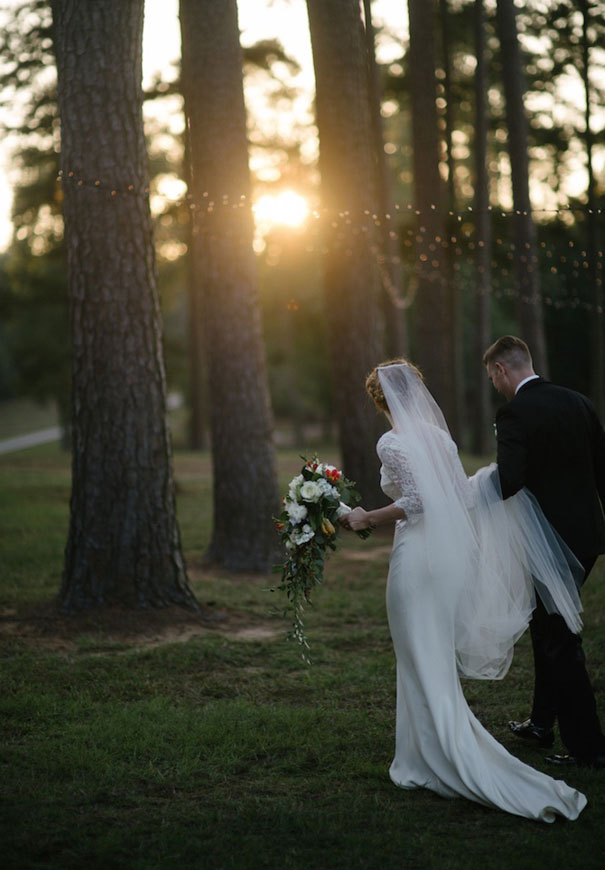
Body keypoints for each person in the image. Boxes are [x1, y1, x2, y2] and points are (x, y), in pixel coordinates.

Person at [339, 358, 586, 822]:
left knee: (417, 653)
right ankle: (417, 754)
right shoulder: (438, 437)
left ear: (380, 402)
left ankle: (438, 757)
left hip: (418, 559)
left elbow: (417, 501)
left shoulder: (391, 441)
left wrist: (365, 517)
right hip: (447, 560)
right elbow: (457, 494)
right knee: (426, 654)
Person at [484, 335, 605, 768]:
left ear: (501, 370)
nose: (495, 386)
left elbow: (509, 481)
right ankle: (541, 722)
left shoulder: (514, 411)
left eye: (492, 377)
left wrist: (471, 490)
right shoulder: (579, 402)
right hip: (587, 539)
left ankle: (588, 747)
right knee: (546, 627)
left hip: (547, 544)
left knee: (559, 640)